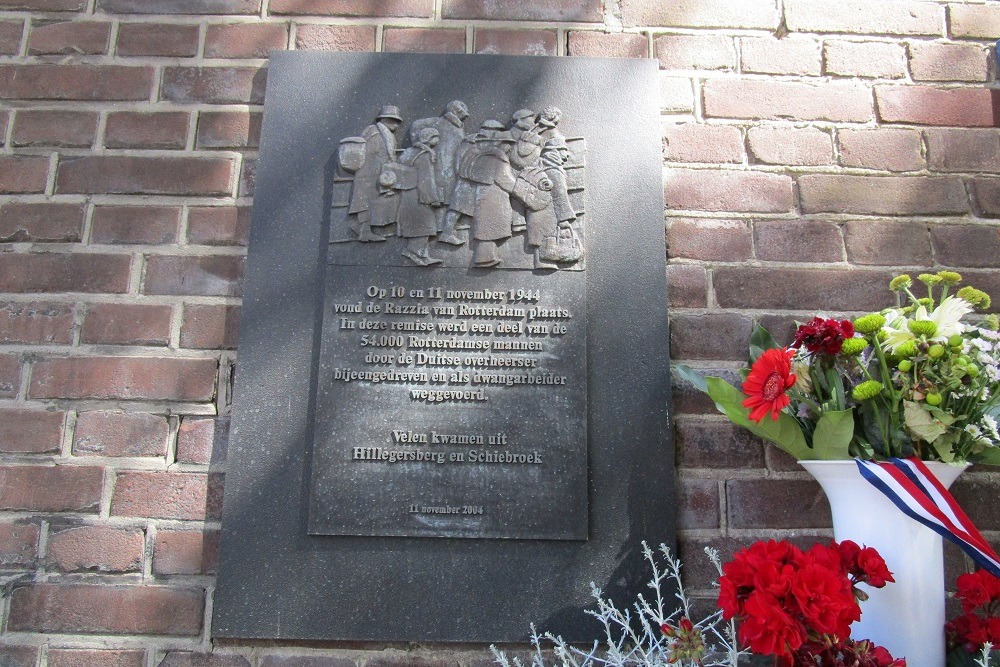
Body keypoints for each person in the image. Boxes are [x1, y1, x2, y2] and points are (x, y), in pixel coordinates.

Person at [459, 121, 520, 268]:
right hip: (494, 198)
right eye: (508, 143)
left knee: (487, 228)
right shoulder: (497, 157)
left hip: (485, 196)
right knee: (490, 228)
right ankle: (484, 258)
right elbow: (504, 179)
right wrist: (521, 189)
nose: (510, 147)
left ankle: (488, 256)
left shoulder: (483, 155)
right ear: (501, 143)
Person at [409, 101, 469, 235]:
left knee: (447, 197)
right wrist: (420, 144)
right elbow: (415, 125)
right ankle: (440, 229)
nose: (464, 116)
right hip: (440, 167)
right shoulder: (437, 122)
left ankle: (443, 228)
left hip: (452, 167)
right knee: (442, 198)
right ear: (456, 111)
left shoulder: (458, 127)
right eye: (463, 112)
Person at [347, 105, 403, 242]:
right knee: (365, 202)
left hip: (377, 175)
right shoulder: (375, 133)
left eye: (397, 121)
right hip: (369, 176)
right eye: (394, 120)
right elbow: (372, 155)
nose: (396, 125)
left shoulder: (386, 134)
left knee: (372, 202)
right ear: (385, 120)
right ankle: (364, 231)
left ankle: (363, 228)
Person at [396, 127, 444, 266]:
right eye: (436, 137)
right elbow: (426, 179)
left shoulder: (408, 152)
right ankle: (413, 251)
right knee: (424, 224)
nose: (438, 140)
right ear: (428, 138)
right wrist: (432, 198)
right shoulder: (424, 155)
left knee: (417, 225)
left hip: (407, 194)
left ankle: (423, 254)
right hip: (420, 196)